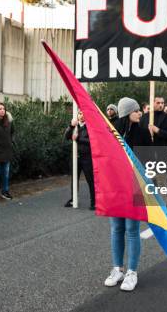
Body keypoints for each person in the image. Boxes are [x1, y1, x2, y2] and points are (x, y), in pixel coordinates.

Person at [104, 97, 152, 292]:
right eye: (136, 110)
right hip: (115, 186)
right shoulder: (111, 131)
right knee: (116, 228)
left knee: (132, 229)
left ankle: (132, 272)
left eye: (139, 110)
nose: (139, 113)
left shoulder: (142, 132)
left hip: (135, 185)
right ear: (126, 113)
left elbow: (150, 159)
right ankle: (117, 269)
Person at [63, 111, 95, 210]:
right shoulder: (74, 126)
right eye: (80, 113)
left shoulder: (90, 127)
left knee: (90, 179)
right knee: (74, 179)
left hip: (87, 157)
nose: (82, 116)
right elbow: (66, 137)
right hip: (75, 157)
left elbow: (92, 141)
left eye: (84, 113)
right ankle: (74, 199)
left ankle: (94, 202)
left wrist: (79, 139)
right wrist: (71, 126)